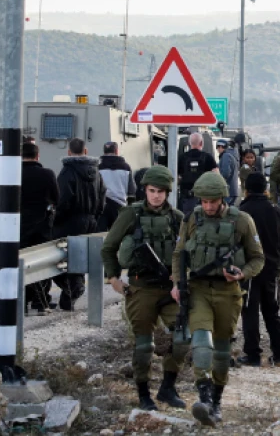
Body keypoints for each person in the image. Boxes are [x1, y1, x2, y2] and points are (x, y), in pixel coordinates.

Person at [171, 173, 265, 427]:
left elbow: (258, 258)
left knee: (222, 351)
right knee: (201, 343)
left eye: (213, 201)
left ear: (223, 198)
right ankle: (204, 397)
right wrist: (177, 283)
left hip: (228, 292)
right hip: (198, 289)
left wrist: (241, 273)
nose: (208, 206)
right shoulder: (191, 219)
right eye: (204, 201)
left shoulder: (242, 221)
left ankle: (217, 402)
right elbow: (179, 253)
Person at [101, 166, 188, 411]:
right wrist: (114, 278)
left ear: (167, 192)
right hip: (141, 289)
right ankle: (143, 393)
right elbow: (108, 247)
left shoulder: (177, 218)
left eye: (161, 191)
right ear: (145, 191)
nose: (156, 196)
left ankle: (167, 387)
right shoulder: (131, 214)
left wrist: (180, 276)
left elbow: (187, 252)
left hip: (170, 290)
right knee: (144, 345)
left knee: (182, 337)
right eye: (152, 191)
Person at [238, 172, 280, 367]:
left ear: (246, 189)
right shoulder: (276, 210)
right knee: (272, 311)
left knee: (249, 311)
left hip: (250, 269)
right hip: (272, 269)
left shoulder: (242, 211)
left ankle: (252, 354)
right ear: (265, 189)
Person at [53, 137, 106, 310]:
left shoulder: (67, 172)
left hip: (70, 220)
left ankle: (73, 288)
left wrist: (56, 219)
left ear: (69, 152)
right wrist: (95, 217)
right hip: (90, 220)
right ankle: (71, 293)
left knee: (60, 256)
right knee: (81, 255)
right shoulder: (97, 173)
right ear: (86, 151)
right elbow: (103, 197)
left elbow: (63, 201)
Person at [20, 141, 59, 312]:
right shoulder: (47, 174)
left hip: (18, 225)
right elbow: (57, 198)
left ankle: (22, 300)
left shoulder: (13, 173)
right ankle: (41, 301)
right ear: (37, 156)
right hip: (42, 224)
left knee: (20, 262)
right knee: (42, 262)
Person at [97, 141, 136, 232]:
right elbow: (132, 190)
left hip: (102, 207)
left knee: (101, 235)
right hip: (119, 207)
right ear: (117, 151)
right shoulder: (126, 167)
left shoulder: (98, 167)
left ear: (104, 152)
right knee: (117, 235)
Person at [177, 132, 218, 217]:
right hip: (205, 199)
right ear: (201, 143)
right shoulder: (208, 157)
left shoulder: (182, 158)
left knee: (187, 220)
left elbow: (177, 178)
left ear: (189, 143)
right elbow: (216, 176)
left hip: (187, 198)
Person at [216, 139, 240, 206]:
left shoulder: (226, 156)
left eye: (217, 147)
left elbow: (226, 173)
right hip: (233, 191)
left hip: (228, 191)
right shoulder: (232, 155)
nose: (217, 149)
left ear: (221, 147)